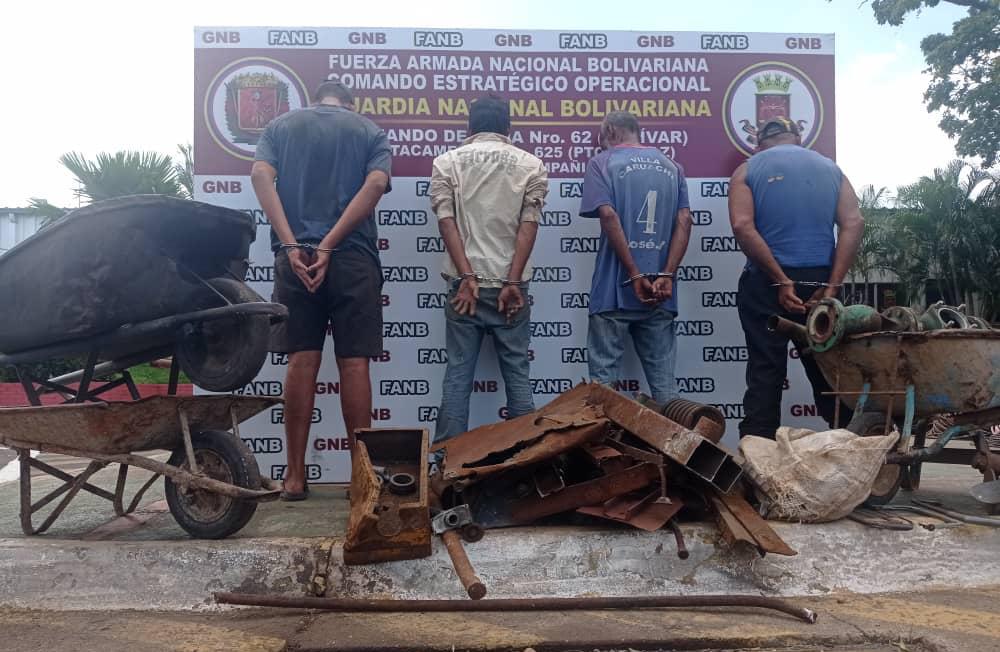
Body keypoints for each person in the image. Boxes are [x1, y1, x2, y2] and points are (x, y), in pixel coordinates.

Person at [250, 80, 392, 500]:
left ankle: (294, 477)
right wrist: (330, 244)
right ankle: (360, 479)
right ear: (350, 104)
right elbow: (376, 184)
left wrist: (291, 243)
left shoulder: (280, 126)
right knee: (354, 365)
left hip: (295, 257)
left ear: (316, 100)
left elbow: (259, 175)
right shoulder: (369, 131)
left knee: (301, 361)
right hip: (353, 258)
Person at [728, 117, 863, 439]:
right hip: (821, 282)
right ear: (798, 137)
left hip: (766, 283)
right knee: (828, 369)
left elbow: (742, 226)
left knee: (765, 370)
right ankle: (849, 445)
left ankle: (757, 453)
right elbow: (854, 222)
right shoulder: (831, 169)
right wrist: (831, 286)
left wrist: (781, 280)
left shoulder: (747, 169)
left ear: (759, 142)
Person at [429, 95, 548, 442]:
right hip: (511, 288)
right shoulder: (532, 165)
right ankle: (529, 461)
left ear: (469, 127)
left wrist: (467, 277)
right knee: (517, 373)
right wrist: (512, 282)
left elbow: (446, 222)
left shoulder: (446, 162)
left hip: (465, 288)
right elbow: (529, 226)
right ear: (508, 127)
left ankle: (446, 463)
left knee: (458, 374)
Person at [579, 111, 693, 404]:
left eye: (600, 137)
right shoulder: (672, 165)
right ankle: (673, 435)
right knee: (665, 388)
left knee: (603, 391)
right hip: (662, 292)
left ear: (610, 130)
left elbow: (608, 215)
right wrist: (667, 274)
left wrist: (634, 273)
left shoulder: (602, 163)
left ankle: (603, 437)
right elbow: (684, 219)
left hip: (613, 291)